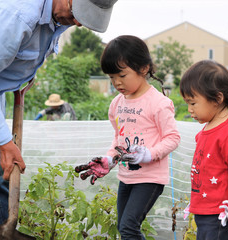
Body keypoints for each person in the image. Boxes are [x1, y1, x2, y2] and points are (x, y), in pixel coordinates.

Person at [0, 0, 118, 238]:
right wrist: (4, 142)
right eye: (77, 14)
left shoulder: (57, 15)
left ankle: (2, 233)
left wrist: (18, 77)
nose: (77, 22)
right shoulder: (17, 12)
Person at [76, 35, 181, 239]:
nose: (116, 82)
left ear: (143, 68)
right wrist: (109, 159)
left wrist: (150, 154)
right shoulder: (117, 104)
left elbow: (173, 137)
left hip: (150, 178)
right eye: (111, 77)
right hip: (127, 176)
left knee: (129, 227)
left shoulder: (158, 103)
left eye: (122, 75)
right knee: (124, 228)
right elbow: (119, 138)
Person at [179, 60, 228, 240]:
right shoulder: (205, 131)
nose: (190, 110)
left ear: (217, 99)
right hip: (204, 210)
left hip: (219, 213)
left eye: (193, 103)